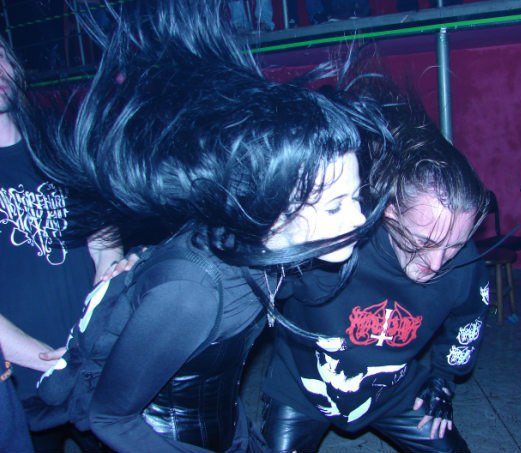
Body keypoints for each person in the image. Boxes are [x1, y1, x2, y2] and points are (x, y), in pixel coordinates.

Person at [32, 1, 388, 451]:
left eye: (356, 197)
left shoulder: (262, 246)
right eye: (336, 206)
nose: (359, 219)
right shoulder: (192, 294)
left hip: (223, 432)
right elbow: (110, 418)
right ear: (273, 208)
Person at [261, 97, 491, 452]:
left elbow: (469, 316)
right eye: (423, 242)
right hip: (304, 385)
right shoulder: (339, 241)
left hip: (390, 387)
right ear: (390, 211)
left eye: (455, 245)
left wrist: (444, 380)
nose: (437, 263)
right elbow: (260, 291)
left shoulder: (464, 263)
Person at [0, 33, 124, 452]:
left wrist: (110, 268)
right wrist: (49, 360)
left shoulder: (58, 144)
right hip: (20, 384)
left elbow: (102, 231)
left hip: (92, 366)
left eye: (1, 56)